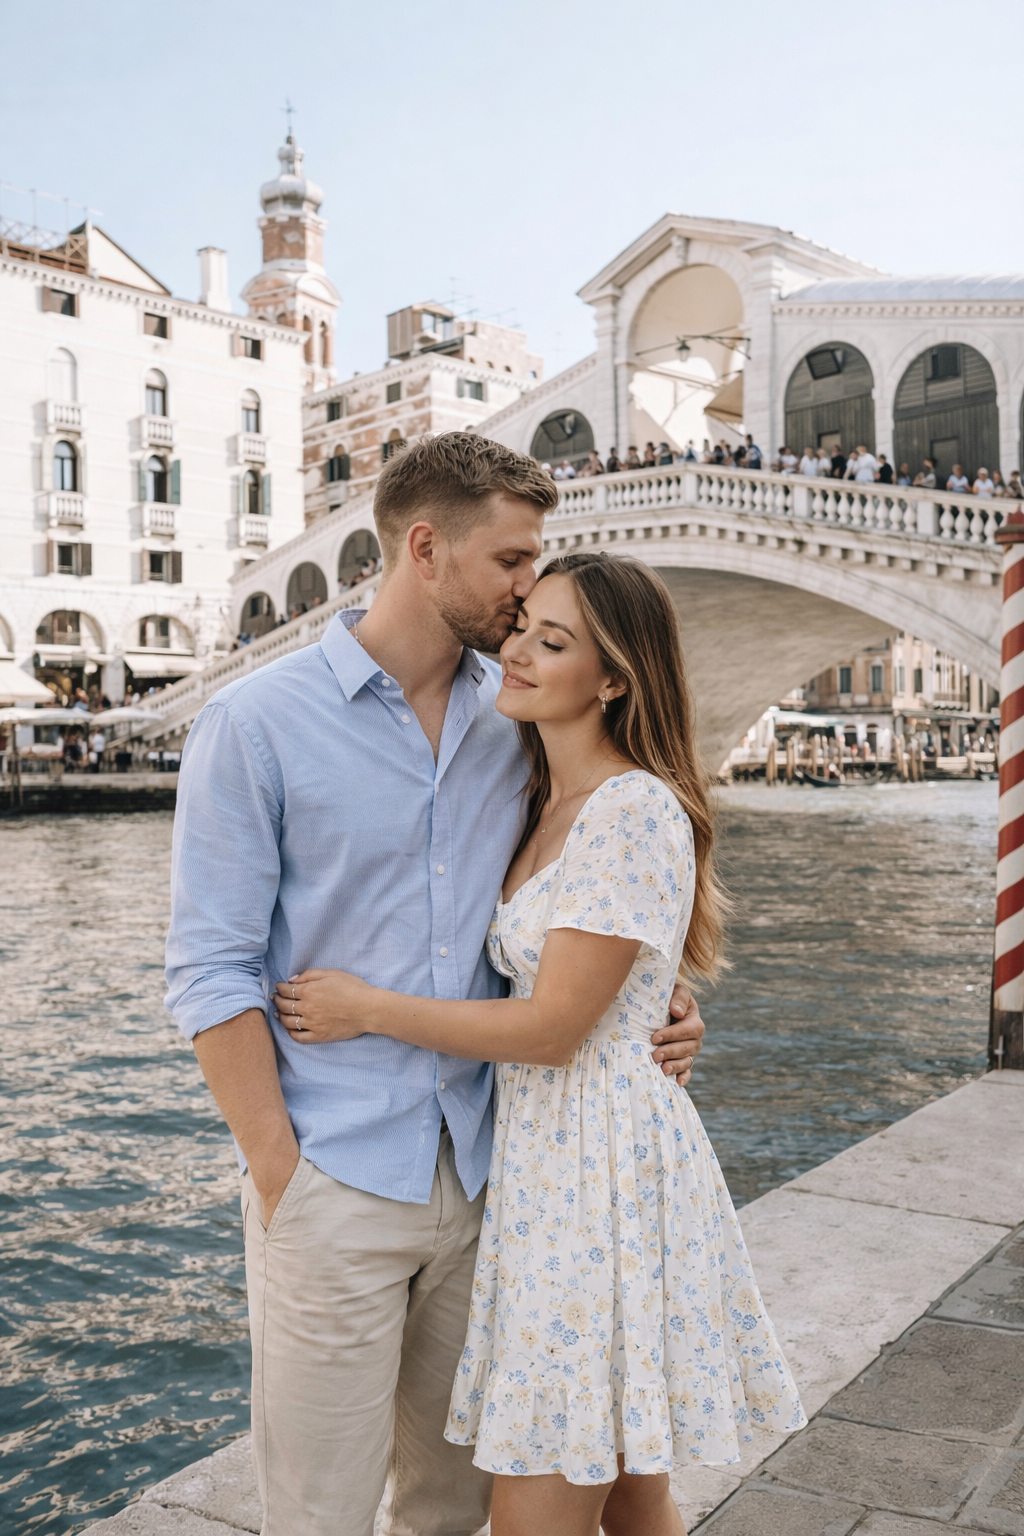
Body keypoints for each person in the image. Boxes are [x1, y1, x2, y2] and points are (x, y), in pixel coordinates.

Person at [165, 434, 707, 1536]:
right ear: (425, 547)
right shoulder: (254, 724)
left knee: (454, 1511)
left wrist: (660, 1001)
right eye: (512, 563)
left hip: (497, 1182)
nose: (527, 592)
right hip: (335, 1180)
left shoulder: (517, 716)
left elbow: (593, 889)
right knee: (317, 1515)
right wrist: (281, 1169)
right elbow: (208, 969)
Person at [280, 552, 805, 1535]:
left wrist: (366, 1008)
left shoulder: (631, 806)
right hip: (545, 1168)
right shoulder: (535, 795)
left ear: (613, 679)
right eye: (523, 625)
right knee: (627, 1489)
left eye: (551, 642)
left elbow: (556, 1028)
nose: (514, 651)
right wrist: (665, 998)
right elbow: (594, 979)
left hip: (599, 1170)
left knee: (535, 1513)